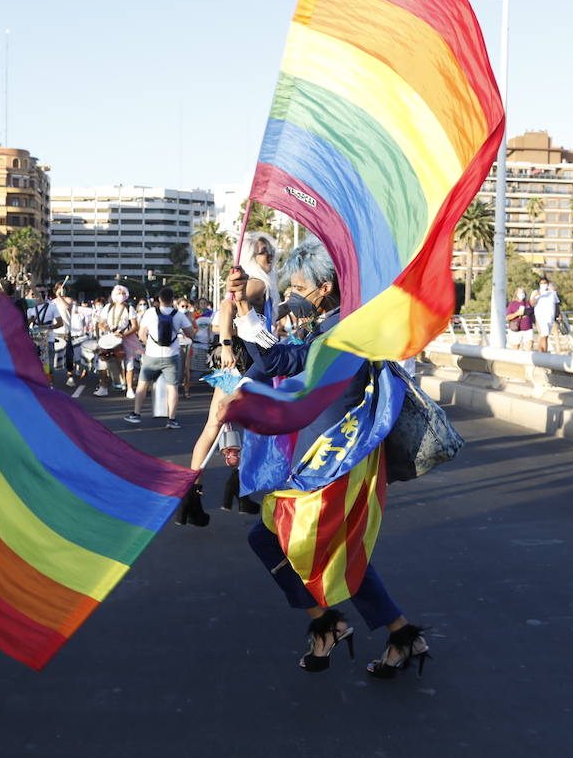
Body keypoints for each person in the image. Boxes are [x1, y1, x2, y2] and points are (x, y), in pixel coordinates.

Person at [228, 239, 431, 678]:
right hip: (325, 459)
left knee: (284, 542)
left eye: (297, 286)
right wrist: (244, 310)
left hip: (337, 463)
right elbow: (276, 361)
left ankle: (328, 623)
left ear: (323, 287)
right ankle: (393, 633)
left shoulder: (346, 334)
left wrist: (252, 320)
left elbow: (290, 363)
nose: (290, 296)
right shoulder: (329, 329)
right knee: (338, 553)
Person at [189, 231, 281, 519]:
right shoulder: (256, 283)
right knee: (222, 424)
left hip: (245, 361)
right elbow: (228, 306)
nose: (270, 256)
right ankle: (201, 496)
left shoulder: (265, 284)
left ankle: (222, 494)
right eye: (263, 252)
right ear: (252, 257)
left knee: (225, 425)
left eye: (271, 252)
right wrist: (227, 345)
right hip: (242, 361)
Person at [123, 287, 195, 430]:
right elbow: (191, 332)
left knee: (143, 385)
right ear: (172, 299)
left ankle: (136, 414)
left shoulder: (150, 313)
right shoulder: (179, 315)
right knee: (172, 388)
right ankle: (171, 419)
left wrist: (147, 342)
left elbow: (142, 333)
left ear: (160, 300)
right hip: (171, 355)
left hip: (152, 355)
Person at [94, 285, 136, 397]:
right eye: (118, 293)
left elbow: (135, 326)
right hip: (109, 338)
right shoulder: (107, 307)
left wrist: (123, 334)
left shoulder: (129, 308)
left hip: (125, 339)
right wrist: (107, 329)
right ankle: (103, 387)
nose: (120, 296)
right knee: (103, 362)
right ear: (114, 295)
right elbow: (100, 324)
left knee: (129, 364)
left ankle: (129, 388)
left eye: (123, 293)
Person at [530, 277, 559, 353]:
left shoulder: (552, 293)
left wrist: (558, 315)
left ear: (548, 284)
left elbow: (556, 304)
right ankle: (543, 353)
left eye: (545, 283)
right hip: (540, 318)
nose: (543, 285)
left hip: (550, 318)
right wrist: (535, 296)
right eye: (541, 283)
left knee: (545, 336)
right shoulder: (536, 292)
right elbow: (531, 304)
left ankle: (541, 352)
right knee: (544, 335)